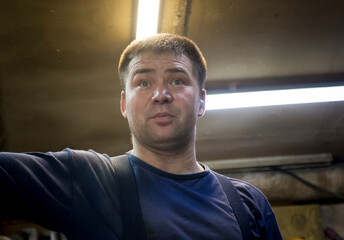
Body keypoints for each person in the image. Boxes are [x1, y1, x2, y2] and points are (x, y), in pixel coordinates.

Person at [0, 34, 282, 239]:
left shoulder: (248, 204)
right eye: (144, 82)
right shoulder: (90, 180)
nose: (161, 95)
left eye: (177, 80)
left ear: (201, 102)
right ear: (124, 104)